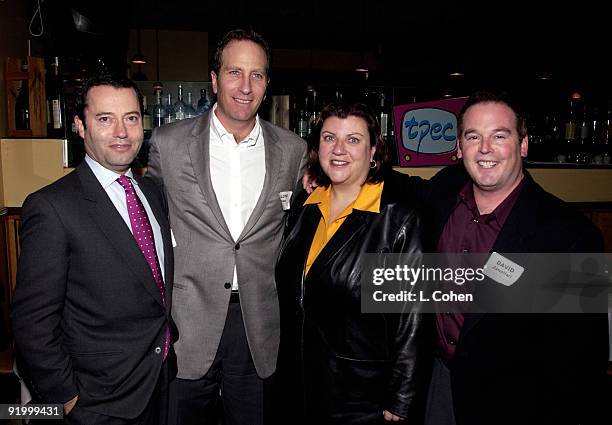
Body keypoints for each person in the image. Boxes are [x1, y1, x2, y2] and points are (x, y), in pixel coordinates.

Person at [146, 29, 307, 425]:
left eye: (257, 75)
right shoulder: (169, 144)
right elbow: (148, 223)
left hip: (258, 325)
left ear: (268, 84)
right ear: (215, 79)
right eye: (235, 72)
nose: (245, 86)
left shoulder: (293, 150)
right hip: (188, 321)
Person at [421, 90, 609, 425]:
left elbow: (583, 364)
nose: (485, 149)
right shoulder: (441, 192)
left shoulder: (572, 237)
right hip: (439, 389)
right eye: (473, 136)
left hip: (518, 404)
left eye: (499, 136)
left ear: (523, 145)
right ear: (459, 147)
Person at [11, 72, 176, 425]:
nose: (121, 131)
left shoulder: (151, 193)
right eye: (105, 119)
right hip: (97, 402)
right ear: (80, 126)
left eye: (131, 118)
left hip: (158, 383)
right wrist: (67, 398)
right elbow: (32, 321)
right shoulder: (52, 207)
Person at [275, 102, 431, 424]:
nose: (339, 149)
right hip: (299, 387)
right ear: (317, 147)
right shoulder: (304, 209)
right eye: (330, 138)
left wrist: (402, 397)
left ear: (373, 150)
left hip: (361, 399)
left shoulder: (395, 222)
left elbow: (412, 319)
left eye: (354, 140)